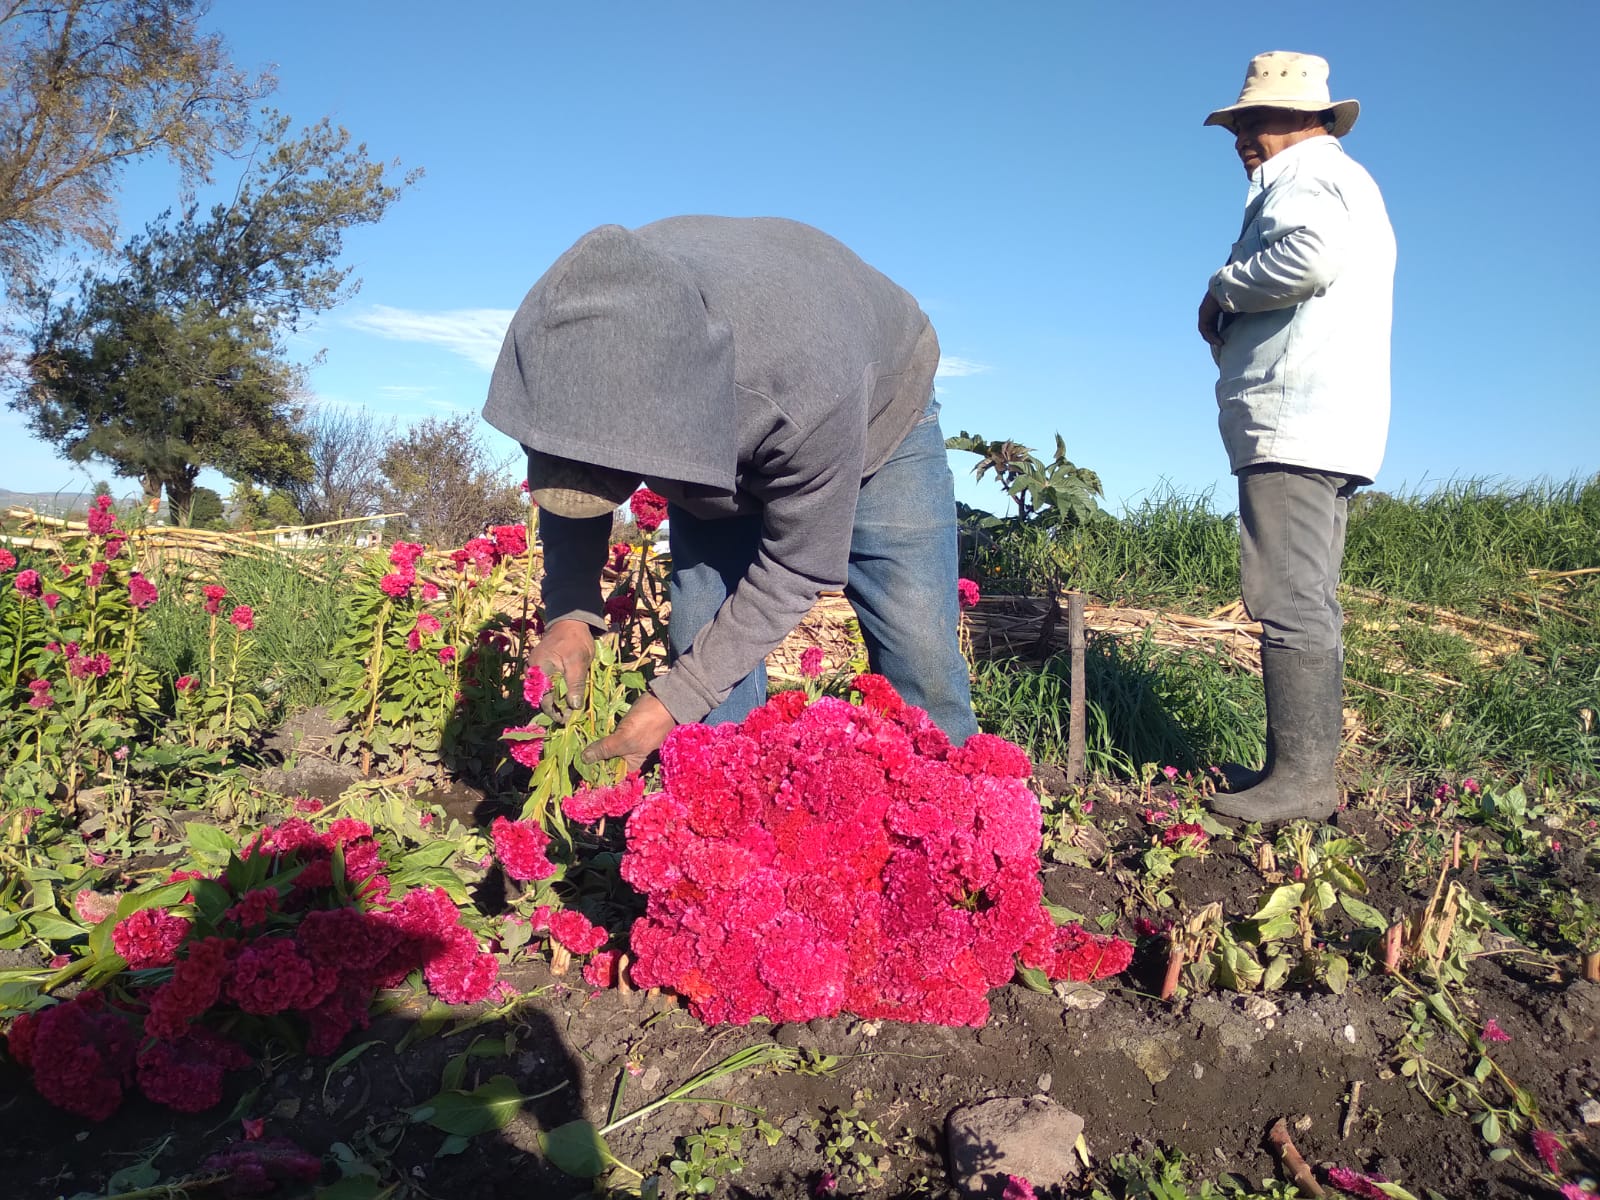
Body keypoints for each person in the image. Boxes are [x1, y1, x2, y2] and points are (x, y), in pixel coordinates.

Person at [483, 216, 979, 770]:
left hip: (874, 416)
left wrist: (676, 699)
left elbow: (796, 568)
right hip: (728, 412)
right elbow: (573, 454)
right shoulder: (588, 323)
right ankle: (726, 830)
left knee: (921, 659)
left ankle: (954, 819)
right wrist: (570, 612)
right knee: (707, 659)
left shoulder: (800, 389)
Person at [1195, 52, 1396, 823]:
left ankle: (1304, 783)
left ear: (1301, 119)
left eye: (1253, 122)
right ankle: (1295, 769)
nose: (1242, 137)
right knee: (1309, 594)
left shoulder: (1308, 178)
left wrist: (1223, 287)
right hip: (1328, 422)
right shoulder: (1346, 180)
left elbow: (1308, 257)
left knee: (1285, 595)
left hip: (1295, 423)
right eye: (1238, 124)